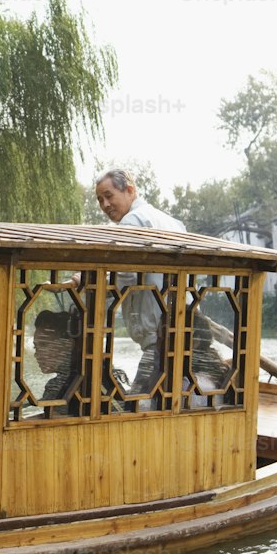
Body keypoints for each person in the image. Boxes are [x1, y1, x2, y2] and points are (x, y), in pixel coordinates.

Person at [95, 168, 186, 406]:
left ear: (130, 190)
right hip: (182, 332)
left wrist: (86, 283)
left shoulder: (132, 221)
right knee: (170, 402)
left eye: (109, 195)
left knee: (133, 407)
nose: (105, 205)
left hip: (158, 342)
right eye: (100, 200)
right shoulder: (171, 222)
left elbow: (122, 275)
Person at [32, 308, 84, 416]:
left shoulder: (59, 386)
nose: (36, 354)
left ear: (68, 345)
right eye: (35, 347)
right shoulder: (106, 379)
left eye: (43, 345)